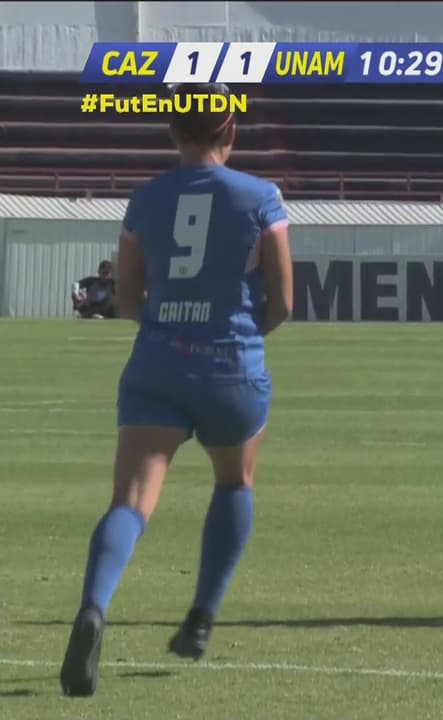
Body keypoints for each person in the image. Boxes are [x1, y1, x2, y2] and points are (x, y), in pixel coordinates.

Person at [59, 82, 293, 698]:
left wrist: (172, 329)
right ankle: (200, 617)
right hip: (231, 366)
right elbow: (285, 301)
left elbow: (128, 298)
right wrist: (238, 333)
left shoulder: (145, 200)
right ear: (230, 133)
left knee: (130, 503)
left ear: (171, 134)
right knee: (233, 482)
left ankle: (93, 607)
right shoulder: (261, 197)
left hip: (159, 363)